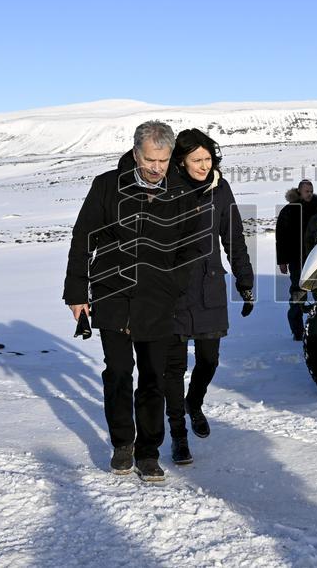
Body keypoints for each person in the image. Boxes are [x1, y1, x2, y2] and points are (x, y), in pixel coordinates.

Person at [62, 121, 197, 483]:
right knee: (119, 374)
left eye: (164, 161)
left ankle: (148, 452)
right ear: (136, 154)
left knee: (153, 378)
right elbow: (82, 239)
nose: (157, 168)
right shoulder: (107, 186)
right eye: (150, 159)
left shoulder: (181, 192)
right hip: (113, 298)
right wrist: (77, 294)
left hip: (157, 300)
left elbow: (193, 247)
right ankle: (123, 444)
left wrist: (173, 285)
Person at [165, 129, 255, 465]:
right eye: (197, 160)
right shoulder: (165, 190)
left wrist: (244, 280)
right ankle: (178, 434)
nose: (205, 165)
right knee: (172, 368)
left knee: (209, 360)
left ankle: (194, 402)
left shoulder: (220, 188)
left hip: (208, 286)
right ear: (181, 161)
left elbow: (234, 237)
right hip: (171, 291)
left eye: (209, 159)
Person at [275, 180, 317, 340]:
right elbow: (281, 237)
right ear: (299, 192)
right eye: (306, 191)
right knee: (298, 293)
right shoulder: (289, 211)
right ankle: (297, 331)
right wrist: (282, 260)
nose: (309, 193)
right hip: (296, 259)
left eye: (311, 190)